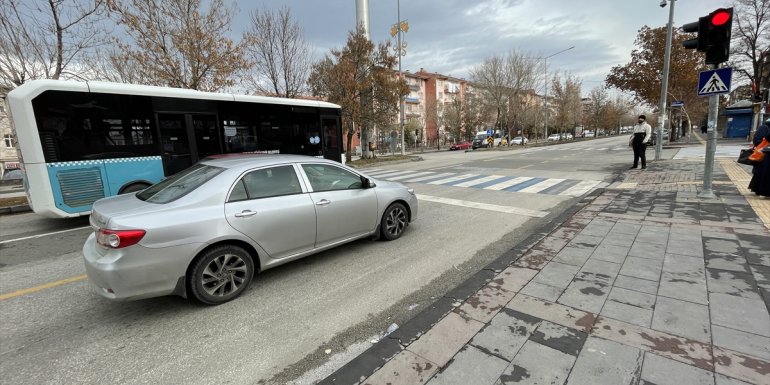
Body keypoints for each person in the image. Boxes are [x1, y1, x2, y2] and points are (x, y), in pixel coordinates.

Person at [748, 117, 770, 197]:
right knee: (761, 174)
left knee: (762, 175)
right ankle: (760, 190)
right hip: (764, 155)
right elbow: (757, 140)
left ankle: (759, 189)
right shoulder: (765, 128)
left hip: (765, 155)